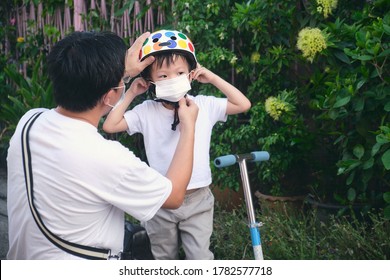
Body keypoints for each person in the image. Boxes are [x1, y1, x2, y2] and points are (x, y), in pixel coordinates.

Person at [6, 31, 198, 260]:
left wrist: (120, 75)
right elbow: (175, 196)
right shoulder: (110, 159)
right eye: (121, 82)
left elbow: (97, 91)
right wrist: (188, 127)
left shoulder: (29, 122)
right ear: (110, 96)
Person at [103, 29, 251, 260]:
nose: (172, 79)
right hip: (160, 200)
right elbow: (110, 125)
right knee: (163, 259)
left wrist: (211, 77)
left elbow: (243, 104)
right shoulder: (146, 111)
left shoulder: (204, 105)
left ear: (191, 74)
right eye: (163, 76)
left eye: (180, 72)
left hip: (198, 199)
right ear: (150, 81)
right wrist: (131, 92)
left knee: (200, 258)